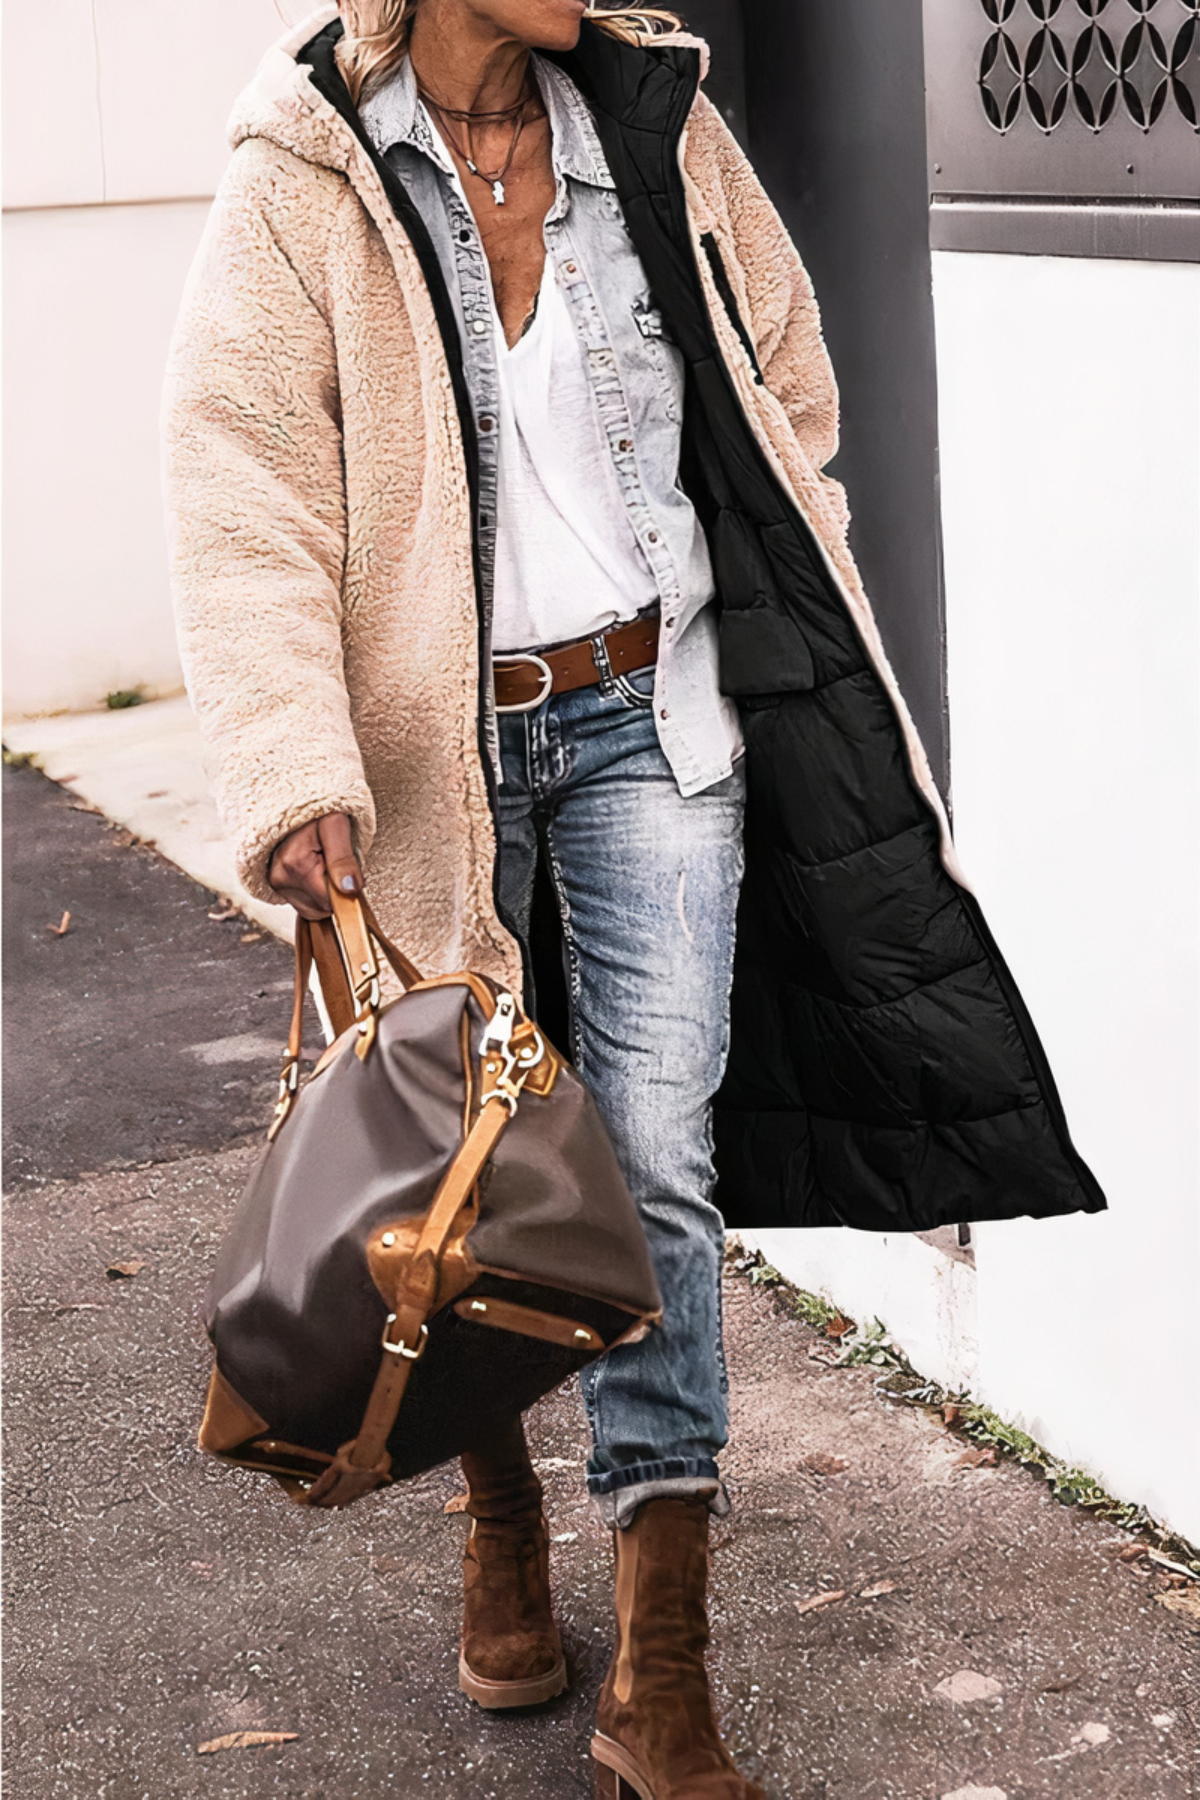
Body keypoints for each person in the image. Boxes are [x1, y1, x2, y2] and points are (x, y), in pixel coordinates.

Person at [164, 3, 1103, 1793]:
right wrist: (291, 758)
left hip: (653, 723)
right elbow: (242, 475)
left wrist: (779, 562)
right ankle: (502, 1517)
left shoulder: (655, 122)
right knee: (471, 1164)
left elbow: (787, 369)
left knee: (654, 1165)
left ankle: (663, 1659)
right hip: (438, 753)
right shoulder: (305, 167)